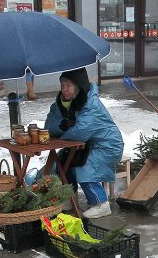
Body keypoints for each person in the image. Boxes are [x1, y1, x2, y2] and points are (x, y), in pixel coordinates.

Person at [44, 68, 122, 219]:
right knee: (64, 161)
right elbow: (49, 125)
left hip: (108, 145)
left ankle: (101, 204)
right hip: (87, 144)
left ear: (78, 86)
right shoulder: (60, 104)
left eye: (68, 86)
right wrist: (63, 124)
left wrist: (64, 132)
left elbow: (81, 132)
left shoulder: (91, 104)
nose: (64, 90)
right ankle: (68, 197)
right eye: (62, 86)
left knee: (83, 165)